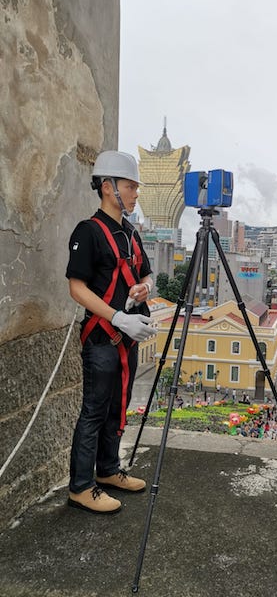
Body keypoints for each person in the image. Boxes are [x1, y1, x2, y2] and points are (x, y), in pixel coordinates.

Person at [66, 150, 157, 514]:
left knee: (118, 405)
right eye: (129, 186)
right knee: (94, 409)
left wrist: (145, 288)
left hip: (127, 337)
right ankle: (81, 486)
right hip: (102, 337)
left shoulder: (131, 233)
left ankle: (107, 470)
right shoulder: (88, 232)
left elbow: (146, 274)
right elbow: (77, 287)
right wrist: (118, 317)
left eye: (136, 186)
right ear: (108, 188)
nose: (135, 193)